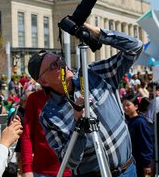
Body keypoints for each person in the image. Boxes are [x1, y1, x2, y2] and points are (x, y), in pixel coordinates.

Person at [28, 22, 143, 177]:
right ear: (43, 81)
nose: (62, 65)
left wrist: (98, 33)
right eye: (54, 66)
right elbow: (69, 163)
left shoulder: (95, 74)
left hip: (127, 169)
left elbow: (135, 47)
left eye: (60, 59)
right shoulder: (49, 115)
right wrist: (78, 124)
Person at [20, 89, 71, 177]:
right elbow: (27, 135)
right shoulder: (35, 98)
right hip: (42, 171)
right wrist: (26, 168)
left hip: (73, 169)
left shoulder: (74, 95)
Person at [122, 94, 153, 177]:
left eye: (128, 105)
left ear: (136, 106)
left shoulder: (140, 122)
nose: (125, 108)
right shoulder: (128, 120)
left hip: (140, 162)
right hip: (132, 161)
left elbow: (146, 143)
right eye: (124, 105)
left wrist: (147, 164)